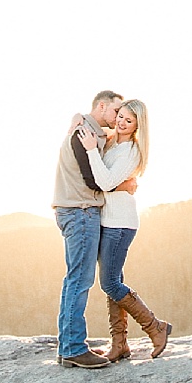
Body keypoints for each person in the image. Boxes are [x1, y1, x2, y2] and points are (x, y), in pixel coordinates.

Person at [80, 98, 172, 362]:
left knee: (109, 283)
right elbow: (108, 183)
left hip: (120, 224)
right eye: (120, 115)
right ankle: (119, 344)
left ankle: (155, 327)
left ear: (136, 127)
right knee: (113, 283)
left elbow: (106, 181)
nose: (121, 122)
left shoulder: (130, 150)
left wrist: (91, 151)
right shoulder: (111, 142)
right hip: (108, 221)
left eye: (129, 120)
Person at [52, 90, 121, 368]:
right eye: (115, 111)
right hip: (80, 212)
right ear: (101, 106)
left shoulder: (88, 129)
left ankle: (69, 345)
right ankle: (72, 349)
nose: (117, 118)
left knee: (75, 279)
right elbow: (93, 181)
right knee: (79, 280)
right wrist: (121, 185)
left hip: (76, 210)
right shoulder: (84, 134)